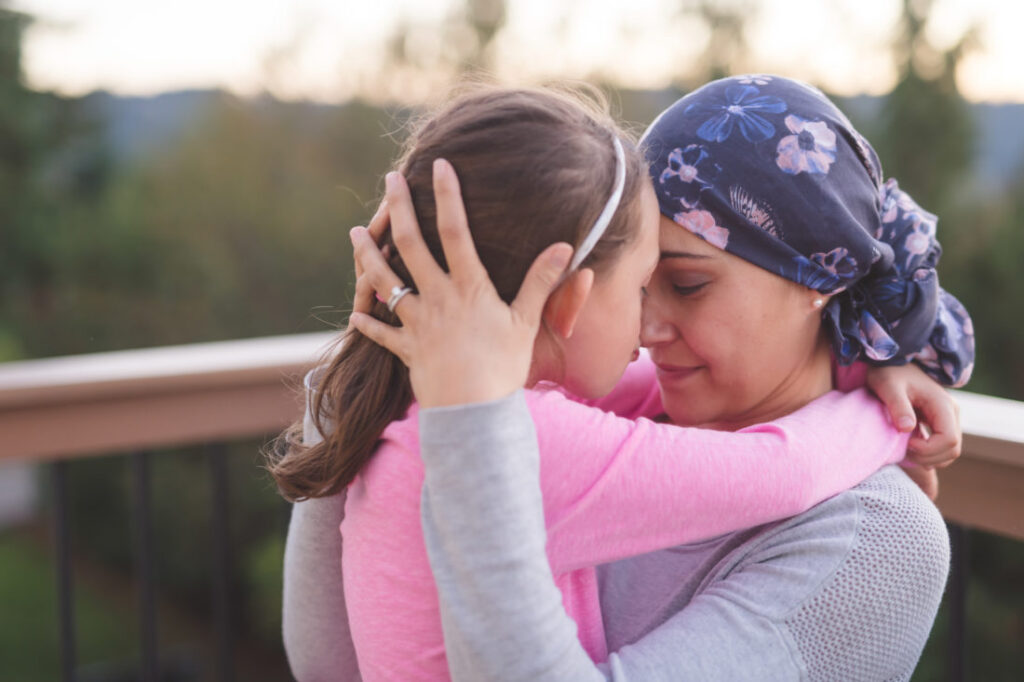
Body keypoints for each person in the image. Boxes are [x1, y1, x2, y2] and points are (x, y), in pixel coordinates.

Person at [275, 83, 969, 681]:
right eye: (638, 284)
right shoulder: (551, 408)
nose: (646, 327)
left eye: (688, 284)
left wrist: (877, 367)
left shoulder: (876, 539)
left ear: (818, 283)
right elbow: (331, 662)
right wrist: (392, 353)